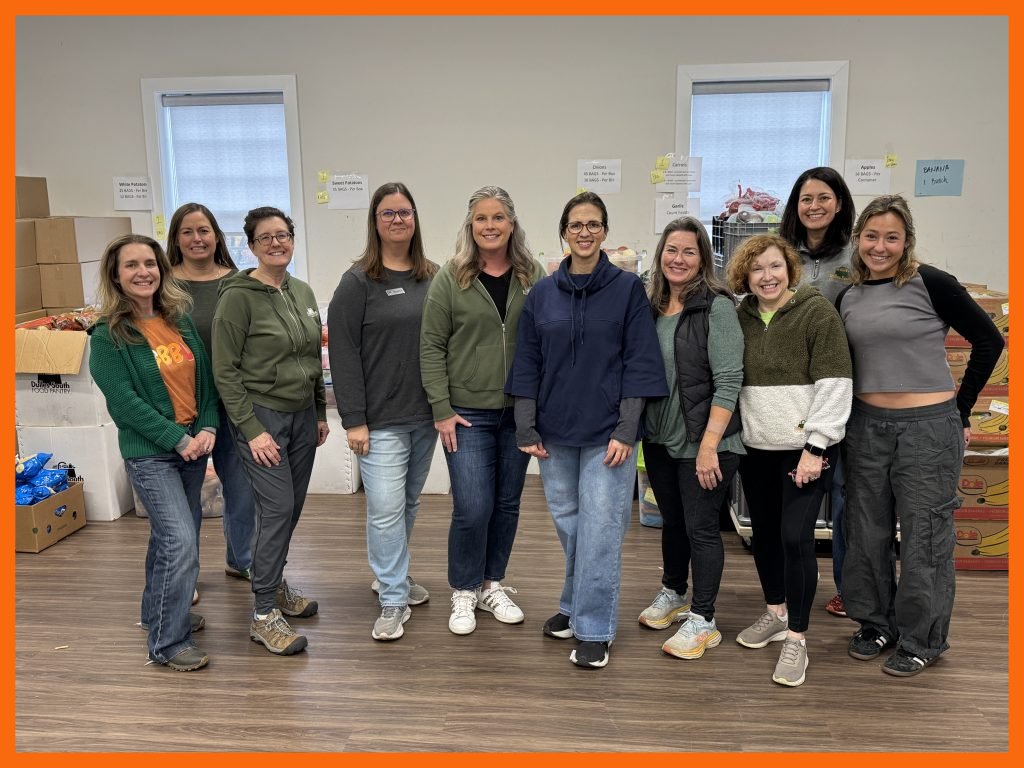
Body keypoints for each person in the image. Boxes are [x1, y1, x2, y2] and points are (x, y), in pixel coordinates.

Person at [837, 195, 1003, 677]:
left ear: (906, 240)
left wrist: (962, 407)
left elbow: (989, 341)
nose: (880, 246)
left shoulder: (931, 282)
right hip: (866, 427)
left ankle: (922, 639)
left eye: (892, 237)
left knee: (924, 536)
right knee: (865, 532)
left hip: (928, 430)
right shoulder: (848, 292)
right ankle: (875, 624)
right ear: (857, 239)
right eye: (871, 236)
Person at [506, 191, 667, 669]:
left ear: (604, 231)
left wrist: (626, 429)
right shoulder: (542, 293)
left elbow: (640, 362)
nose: (584, 232)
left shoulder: (626, 290)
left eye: (593, 224)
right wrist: (524, 425)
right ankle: (575, 605)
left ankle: (594, 628)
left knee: (599, 531)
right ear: (564, 232)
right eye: (576, 224)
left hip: (607, 436)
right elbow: (527, 362)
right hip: (553, 433)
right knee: (572, 527)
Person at [725, 234, 852, 687]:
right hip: (756, 450)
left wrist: (817, 447)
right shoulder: (739, 317)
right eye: (757, 269)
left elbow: (835, 383)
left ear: (790, 269)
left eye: (775, 266)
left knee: (796, 539)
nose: (767, 276)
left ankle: (797, 637)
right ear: (746, 275)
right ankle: (775, 612)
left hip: (805, 454)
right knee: (764, 538)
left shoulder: (817, 313)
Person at [89, 234, 218, 672]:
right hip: (152, 453)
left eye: (150, 263)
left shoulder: (177, 320)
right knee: (181, 542)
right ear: (116, 275)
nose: (143, 272)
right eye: (131, 265)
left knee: (171, 537)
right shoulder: (108, 336)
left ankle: (157, 613)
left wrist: (208, 427)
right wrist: (179, 439)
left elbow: (205, 381)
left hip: (193, 448)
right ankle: (167, 642)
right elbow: (124, 403)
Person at [420, 186, 544, 636]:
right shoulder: (451, 277)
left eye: (498, 218)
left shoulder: (533, 275)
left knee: (508, 504)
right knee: (473, 506)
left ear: (512, 223)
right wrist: (440, 407)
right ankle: (464, 589)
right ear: (470, 226)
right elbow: (431, 345)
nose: (489, 226)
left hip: (519, 413)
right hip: (467, 413)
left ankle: (493, 584)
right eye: (480, 219)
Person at [212, 206, 329, 656]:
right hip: (261, 418)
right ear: (251, 245)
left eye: (283, 235)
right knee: (276, 508)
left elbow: (312, 358)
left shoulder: (301, 291)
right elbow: (225, 370)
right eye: (266, 238)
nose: (277, 243)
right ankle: (262, 614)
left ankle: (274, 583)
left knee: (291, 507)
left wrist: (319, 411)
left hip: (302, 417)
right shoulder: (237, 297)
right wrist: (251, 429)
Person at [328, 183, 439, 642]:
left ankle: (392, 576)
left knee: (407, 504)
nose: (398, 220)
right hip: (379, 419)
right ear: (375, 221)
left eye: (405, 212)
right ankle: (393, 598)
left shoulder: (433, 276)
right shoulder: (358, 282)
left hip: (425, 415)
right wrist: (353, 419)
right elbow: (344, 351)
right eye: (388, 213)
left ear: (415, 219)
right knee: (385, 509)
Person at [638, 217, 745, 661]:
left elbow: (729, 379)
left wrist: (708, 446)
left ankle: (704, 619)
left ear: (703, 258)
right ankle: (673, 592)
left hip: (707, 442)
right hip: (661, 438)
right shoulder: (650, 306)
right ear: (660, 253)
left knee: (702, 529)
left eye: (688, 251)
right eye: (671, 250)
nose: (677, 259)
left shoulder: (715, 307)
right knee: (673, 521)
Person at [779, 166, 857, 618]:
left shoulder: (855, 255)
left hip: (843, 384)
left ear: (839, 203)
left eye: (823, 197)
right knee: (797, 500)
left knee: (847, 494)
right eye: (806, 199)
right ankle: (793, 590)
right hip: (791, 390)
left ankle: (849, 586)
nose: (814, 206)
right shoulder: (781, 253)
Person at [166, 203, 256, 583]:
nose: (197, 238)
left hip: (235, 402)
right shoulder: (163, 285)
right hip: (183, 406)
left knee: (242, 489)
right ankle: (186, 575)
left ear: (217, 236)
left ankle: (242, 559)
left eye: (204, 230)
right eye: (187, 231)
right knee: (187, 499)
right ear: (176, 239)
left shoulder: (238, 281)